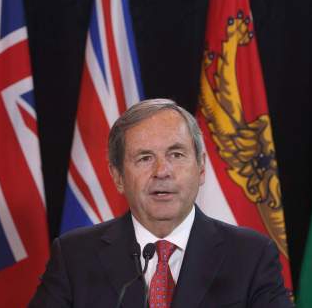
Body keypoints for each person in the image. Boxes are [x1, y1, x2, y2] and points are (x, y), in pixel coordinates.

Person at [29, 98, 292, 307]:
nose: (162, 171)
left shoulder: (251, 255)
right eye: (144, 158)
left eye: (176, 154)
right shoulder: (74, 257)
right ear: (118, 177)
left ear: (201, 168)